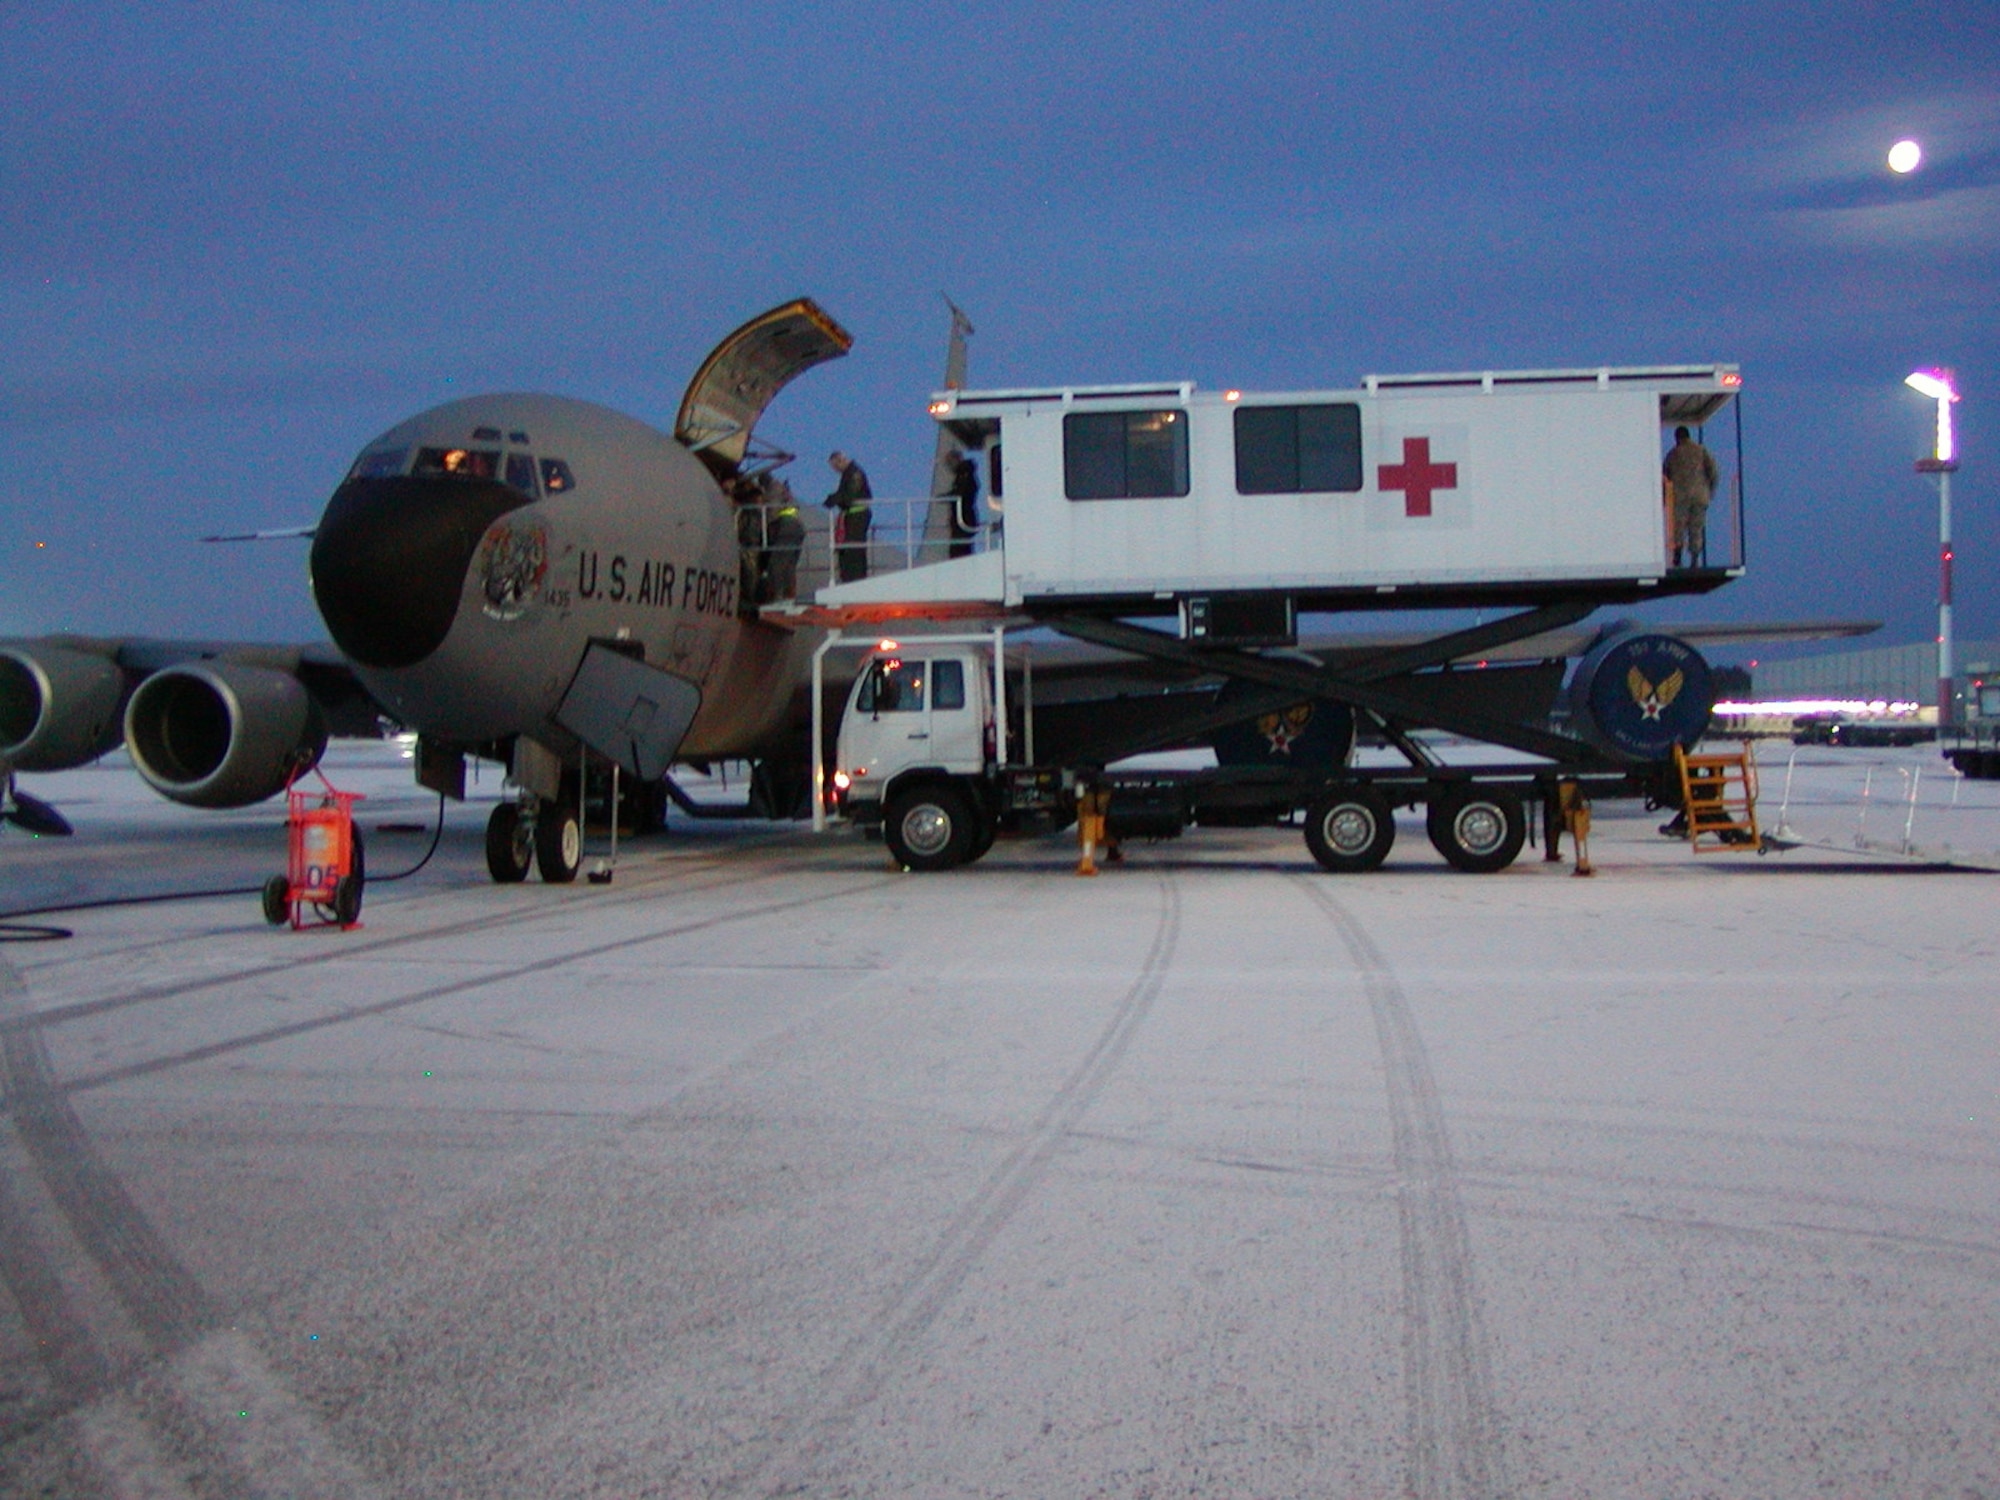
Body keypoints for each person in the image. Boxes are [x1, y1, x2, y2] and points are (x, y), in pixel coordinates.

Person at [1662, 425, 1719, 568]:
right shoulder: (1702, 451)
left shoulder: (1673, 454)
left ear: (1677, 438)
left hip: (1680, 497)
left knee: (1678, 527)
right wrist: (1710, 490)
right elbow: (1714, 471)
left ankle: (1678, 557)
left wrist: (1665, 498)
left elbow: (1665, 476)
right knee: (1696, 527)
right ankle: (1695, 560)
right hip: (1700, 496)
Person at [824, 450, 872, 582]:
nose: (835, 470)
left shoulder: (854, 473)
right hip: (852, 515)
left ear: (840, 461)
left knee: (853, 548)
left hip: (857, 515)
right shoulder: (849, 473)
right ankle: (850, 577)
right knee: (850, 548)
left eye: (835, 467)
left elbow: (850, 494)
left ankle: (854, 578)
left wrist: (834, 499)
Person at [762, 472, 805, 600]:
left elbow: (772, 510)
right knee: (789, 565)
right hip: (796, 527)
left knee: (776, 563)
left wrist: (767, 529)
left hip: (787, 527)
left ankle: (777, 596)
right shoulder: (781, 487)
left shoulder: (773, 489)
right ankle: (789, 594)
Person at [946, 449, 980, 559]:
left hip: (964, 519)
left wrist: (949, 496)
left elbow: (964, 492)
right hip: (962, 520)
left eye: (950, 463)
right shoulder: (964, 475)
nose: (949, 467)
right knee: (961, 549)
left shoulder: (965, 475)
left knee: (959, 551)